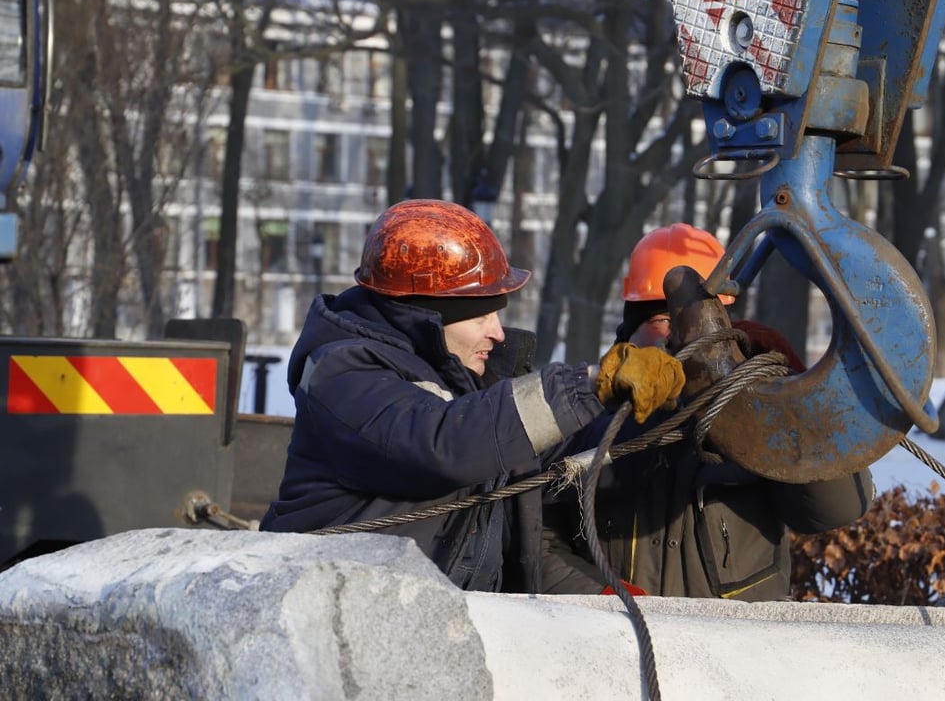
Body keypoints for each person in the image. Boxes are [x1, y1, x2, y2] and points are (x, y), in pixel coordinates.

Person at [260, 199, 685, 594]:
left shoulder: (470, 382)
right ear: (423, 314)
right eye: (482, 315)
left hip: (428, 620)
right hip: (322, 617)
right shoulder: (342, 374)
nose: (498, 332)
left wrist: (674, 407)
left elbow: (557, 463)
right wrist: (587, 385)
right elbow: (439, 444)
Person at [541, 223, 876, 601]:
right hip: (622, 639)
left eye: (702, 322)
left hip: (737, 647)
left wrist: (796, 408)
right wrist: (602, 594)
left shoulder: (760, 409)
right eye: (664, 320)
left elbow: (836, 510)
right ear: (629, 330)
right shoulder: (587, 412)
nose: (681, 337)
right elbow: (539, 535)